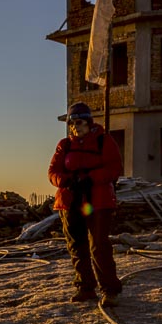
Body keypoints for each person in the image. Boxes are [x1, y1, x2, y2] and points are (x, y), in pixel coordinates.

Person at [48, 101, 124, 307]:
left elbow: (115, 167)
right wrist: (66, 180)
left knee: (99, 245)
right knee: (76, 245)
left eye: (79, 122)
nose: (75, 127)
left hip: (97, 201)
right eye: (71, 123)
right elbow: (52, 173)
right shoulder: (64, 145)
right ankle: (85, 287)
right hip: (71, 201)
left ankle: (110, 290)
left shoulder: (103, 141)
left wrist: (91, 177)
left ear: (89, 122)